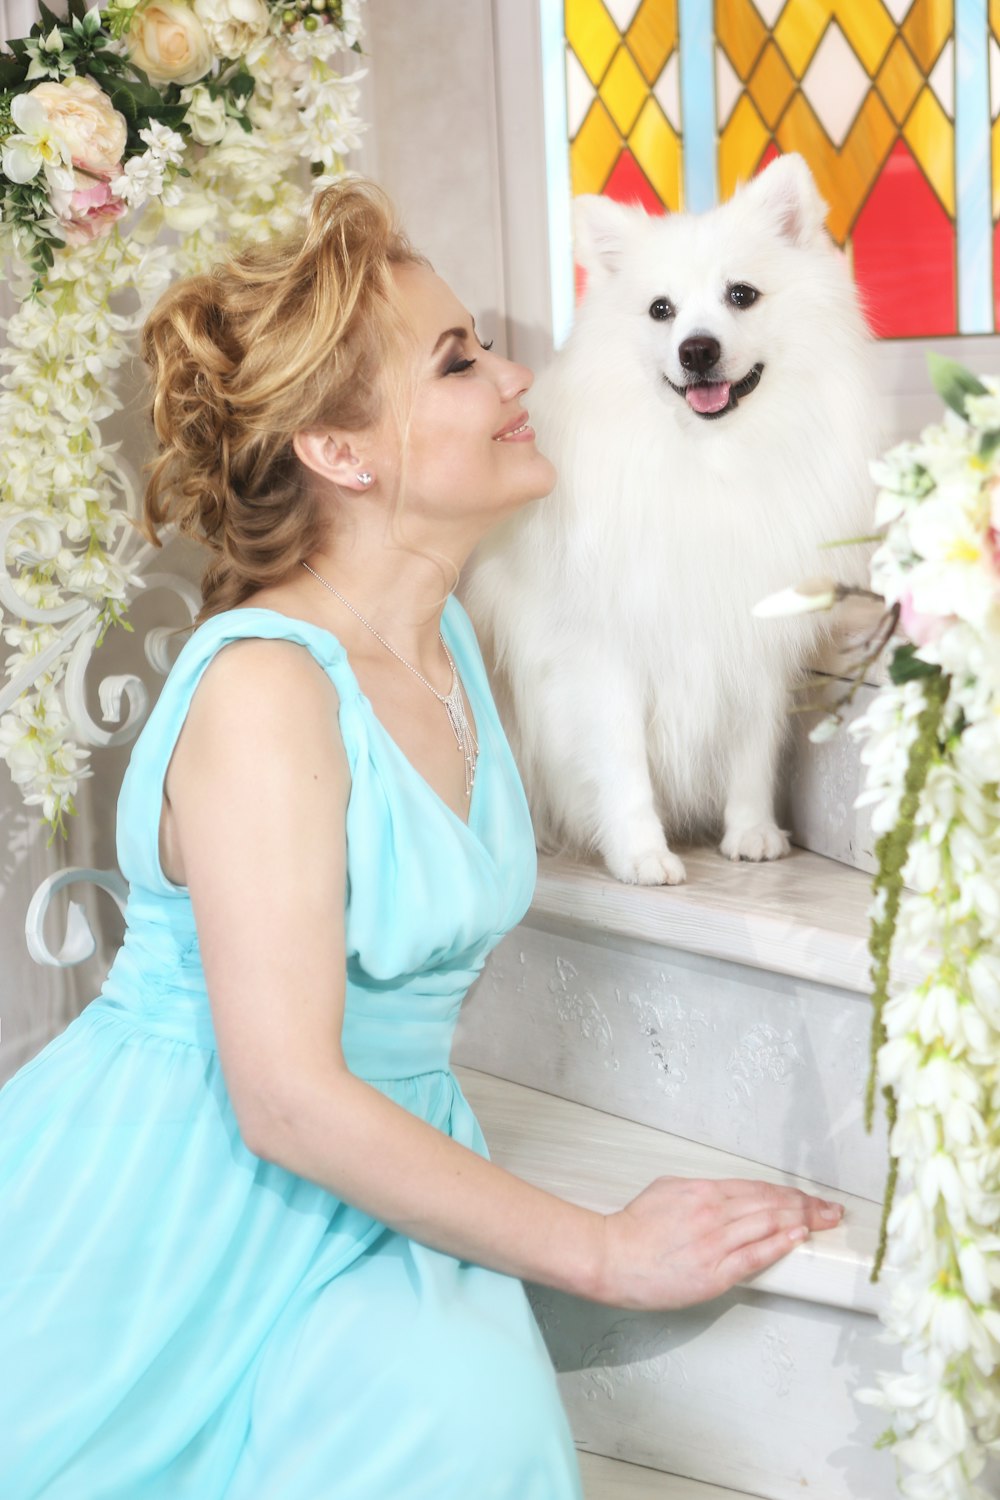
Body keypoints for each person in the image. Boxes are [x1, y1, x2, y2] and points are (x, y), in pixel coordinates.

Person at [0, 179, 844, 1500]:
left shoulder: (444, 635)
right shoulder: (267, 689)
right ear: (344, 453)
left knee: (466, 1439)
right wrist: (601, 1250)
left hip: (380, 1169)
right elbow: (282, 1096)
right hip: (183, 1195)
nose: (516, 373)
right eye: (459, 360)